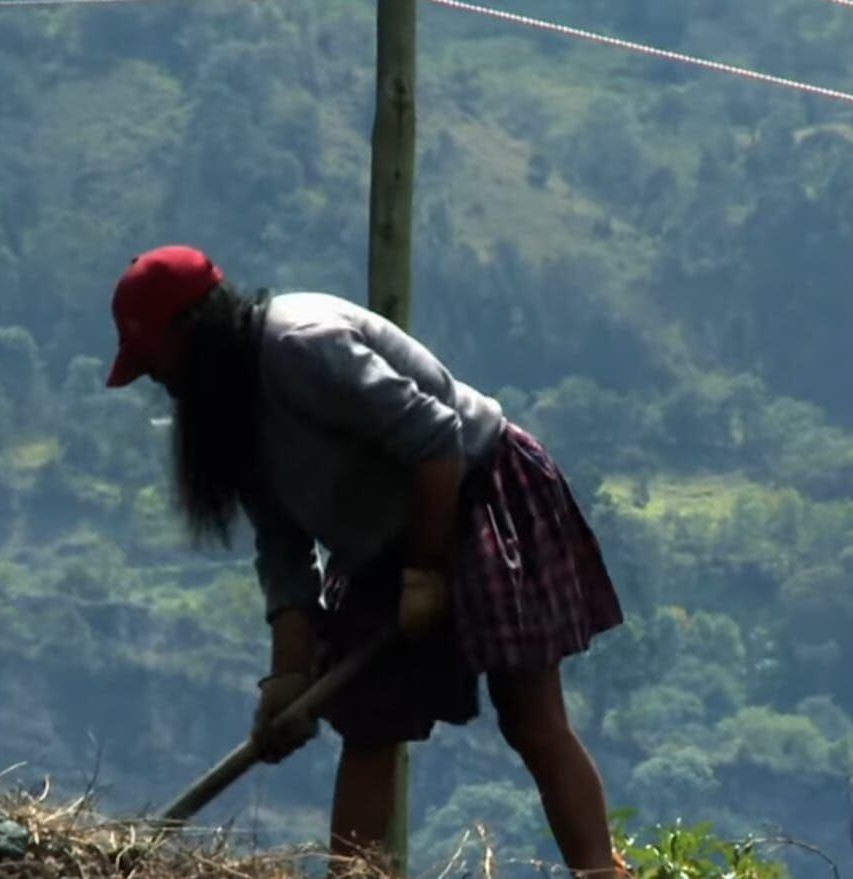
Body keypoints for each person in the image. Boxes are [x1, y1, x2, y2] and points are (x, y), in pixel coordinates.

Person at [104, 245, 627, 878]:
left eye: (157, 362)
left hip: (477, 491)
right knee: (369, 725)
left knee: (530, 718)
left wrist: (427, 575)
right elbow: (283, 545)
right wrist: (287, 679)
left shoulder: (301, 346)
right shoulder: (227, 409)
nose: (159, 382)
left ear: (193, 331)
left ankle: (599, 872)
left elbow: (440, 442)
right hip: (384, 541)